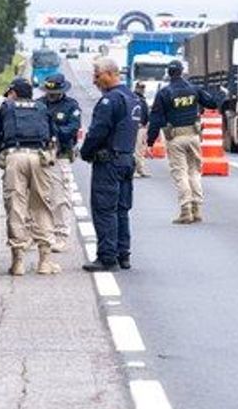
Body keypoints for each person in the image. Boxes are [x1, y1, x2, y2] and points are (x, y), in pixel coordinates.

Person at [0, 77, 60, 276]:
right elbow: (54, 135)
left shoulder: (3, 109)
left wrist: (1, 158)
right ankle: (44, 261)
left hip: (14, 157)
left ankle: (18, 262)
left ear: (14, 92)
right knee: (42, 206)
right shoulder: (42, 108)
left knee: (16, 207)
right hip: (40, 157)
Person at [81, 57, 141, 272]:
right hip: (126, 159)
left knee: (105, 209)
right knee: (122, 209)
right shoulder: (133, 98)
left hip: (109, 162)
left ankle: (107, 257)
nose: (95, 81)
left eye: (97, 76)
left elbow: (98, 131)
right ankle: (123, 254)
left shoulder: (110, 101)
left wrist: (85, 152)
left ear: (109, 74)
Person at [146, 60, 221, 224]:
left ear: (168, 73)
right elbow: (213, 104)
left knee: (180, 173)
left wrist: (150, 142)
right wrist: (218, 93)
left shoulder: (164, 93)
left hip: (175, 138)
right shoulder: (194, 89)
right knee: (194, 171)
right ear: (182, 72)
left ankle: (185, 210)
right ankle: (197, 209)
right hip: (194, 136)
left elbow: (156, 119)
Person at [37, 73, 82, 255]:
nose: (51, 95)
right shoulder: (39, 104)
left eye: (55, 92)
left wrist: (53, 130)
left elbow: (72, 128)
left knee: (59, 197)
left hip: (60, 154)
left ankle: (61, 235)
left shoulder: (71, 106)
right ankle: (39, 234)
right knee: (38, 196)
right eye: (49, 92)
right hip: (40, 154)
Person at [132, 81, 151, 178]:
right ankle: (135, 170)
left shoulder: (142, 99)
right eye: (140, 87)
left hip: (143, 127)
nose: (142, 89)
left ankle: (140, 169)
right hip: (137, 127)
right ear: (136, 88)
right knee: (136, 149)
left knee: (141, 149)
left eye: (143, 87)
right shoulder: (134, 98)